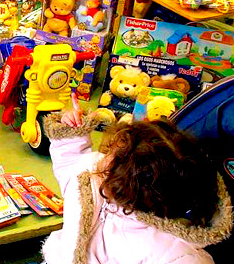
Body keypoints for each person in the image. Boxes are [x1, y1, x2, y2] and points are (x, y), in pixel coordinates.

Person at [41, 108, 233, 263]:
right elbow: (72, 167)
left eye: (111, 156)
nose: (101, 160)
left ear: (123, 185)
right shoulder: (95, 177)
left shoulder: (179, 255)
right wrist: (72, 133)